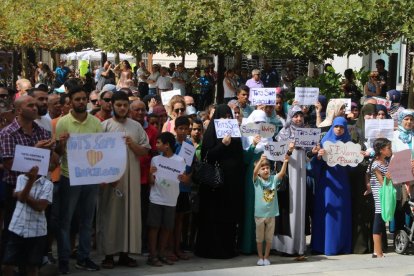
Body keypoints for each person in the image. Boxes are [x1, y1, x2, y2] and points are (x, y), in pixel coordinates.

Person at [97, 92, 150, 268]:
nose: (122, 108)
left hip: (132, 179)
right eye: (118, 105)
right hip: (111, 180)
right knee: (110, 216)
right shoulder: (104, 126)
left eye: (124, 105)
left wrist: (131, 144)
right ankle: (109, 255)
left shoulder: (136, 126)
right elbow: (96, 154)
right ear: (112, 105)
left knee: (130, 215)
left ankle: (126, 253)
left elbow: (145, 150)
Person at [55, 86, 102, 273]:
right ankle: (64, 259)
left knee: (87, 220)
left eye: (84, 99)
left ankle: (83, 257)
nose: (81, 102)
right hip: (69, 176)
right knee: (65, 220)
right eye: (77, 99)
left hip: (91, 178)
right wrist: (62, 143)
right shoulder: (63, 123)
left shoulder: (96, 123)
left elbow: (103, 150)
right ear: (71, 102)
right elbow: (57, 153)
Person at [0, 96, 53, 264]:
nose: (35, 108)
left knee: (35, 232)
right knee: (12, 231)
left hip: (38, 188)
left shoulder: (42, 131)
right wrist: (35, 150)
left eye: (35, 105)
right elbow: (9, 163)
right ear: (19, 110)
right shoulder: (8, 133)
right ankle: (9, 266)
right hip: (15, 188)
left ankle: (31, 265)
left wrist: (53, 150)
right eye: (30, 105)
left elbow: (50, 161)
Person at [195, 104, 244, 259]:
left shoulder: (236, 135)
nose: (227, 120)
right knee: (213, 217)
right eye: (224, 117)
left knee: (228, 218)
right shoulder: (211, 134)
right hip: (214, 187)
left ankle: (228, 248)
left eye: (230, 117)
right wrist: (222, 144)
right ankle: (211, 249)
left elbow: (239, 157)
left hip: (231, 184)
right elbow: (207, 156)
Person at [311, 117, 354, 255]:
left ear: (345, 128)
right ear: (332, 127)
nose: (339, 129)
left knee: (341, 214)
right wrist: (318, 156)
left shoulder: (349, 144)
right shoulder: (324, 143)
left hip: (342, 184)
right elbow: (313, 166)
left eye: (341, 127)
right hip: (327, 184)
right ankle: (322, 246)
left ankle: (340, 246)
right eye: (336, 126)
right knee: (327, 212)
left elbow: (353, 169)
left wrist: (355, 159)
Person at [2, 166, 53, 276]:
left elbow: (40, 206)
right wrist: (29, 183)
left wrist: (18, 193)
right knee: (8, 264)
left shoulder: (48, 184)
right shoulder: (21, 178)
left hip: (37, 230)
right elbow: (21, 199)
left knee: (32, 266)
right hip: (17, 227)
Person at [272, 105, 308, 259]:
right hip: (288, 173)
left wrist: (315, 151)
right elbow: (277, 155)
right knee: (289, 206)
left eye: (300, 116)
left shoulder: (307, 133)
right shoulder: (283, 133)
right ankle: (285, 246)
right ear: (290, 117)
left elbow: (309, 155)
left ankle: (298, 246)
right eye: (295, 116)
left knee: (299, 205)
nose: (298, 119)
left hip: (301, 173)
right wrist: (289, 148)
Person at [147, 132, 187, 266]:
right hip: (156, 198)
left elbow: (185, 179)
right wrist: (150, 174)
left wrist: (183, 178)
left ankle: (162, 254)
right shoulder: (155, 160)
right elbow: (151, 181)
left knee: (167, 228)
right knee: (154, 227)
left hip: (171, 199)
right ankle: (152, 256)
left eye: (159, 143)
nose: (156, 145)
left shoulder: (179, 161)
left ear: (167, 145)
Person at [253, 153, 289, 266]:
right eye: (262, 169)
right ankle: (260, 257)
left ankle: (266, 257)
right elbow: (254, 172)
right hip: (259, 215)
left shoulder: (273, 179)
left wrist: (286, 161)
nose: (265, 170)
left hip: (271, 214)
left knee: (269, 238)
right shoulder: (257, 181)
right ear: (259, 171)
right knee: (259, 238)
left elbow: (282, 173)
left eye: (267, 168)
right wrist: (260, 160)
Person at [391, 110, 414, 236]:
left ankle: (411, 233)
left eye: (411, 119)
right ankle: (399, 234)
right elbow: (391, 153)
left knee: (411, 203)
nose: (409, 122)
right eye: (406, 119)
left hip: (413, 175)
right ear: (400, 120)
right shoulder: (394, 135)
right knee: (400, 203)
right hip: (399, 173)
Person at [368, 138, 392, 258]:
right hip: (380, 196)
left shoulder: (385, 162)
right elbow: (382, 182)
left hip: (385, 194)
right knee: (378, 220)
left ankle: (376, 250)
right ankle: (378, 252)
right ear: (382, 150)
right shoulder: (376, 164)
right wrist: (389, 177)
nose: (390, 150)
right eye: (388, 148)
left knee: (381, 220)